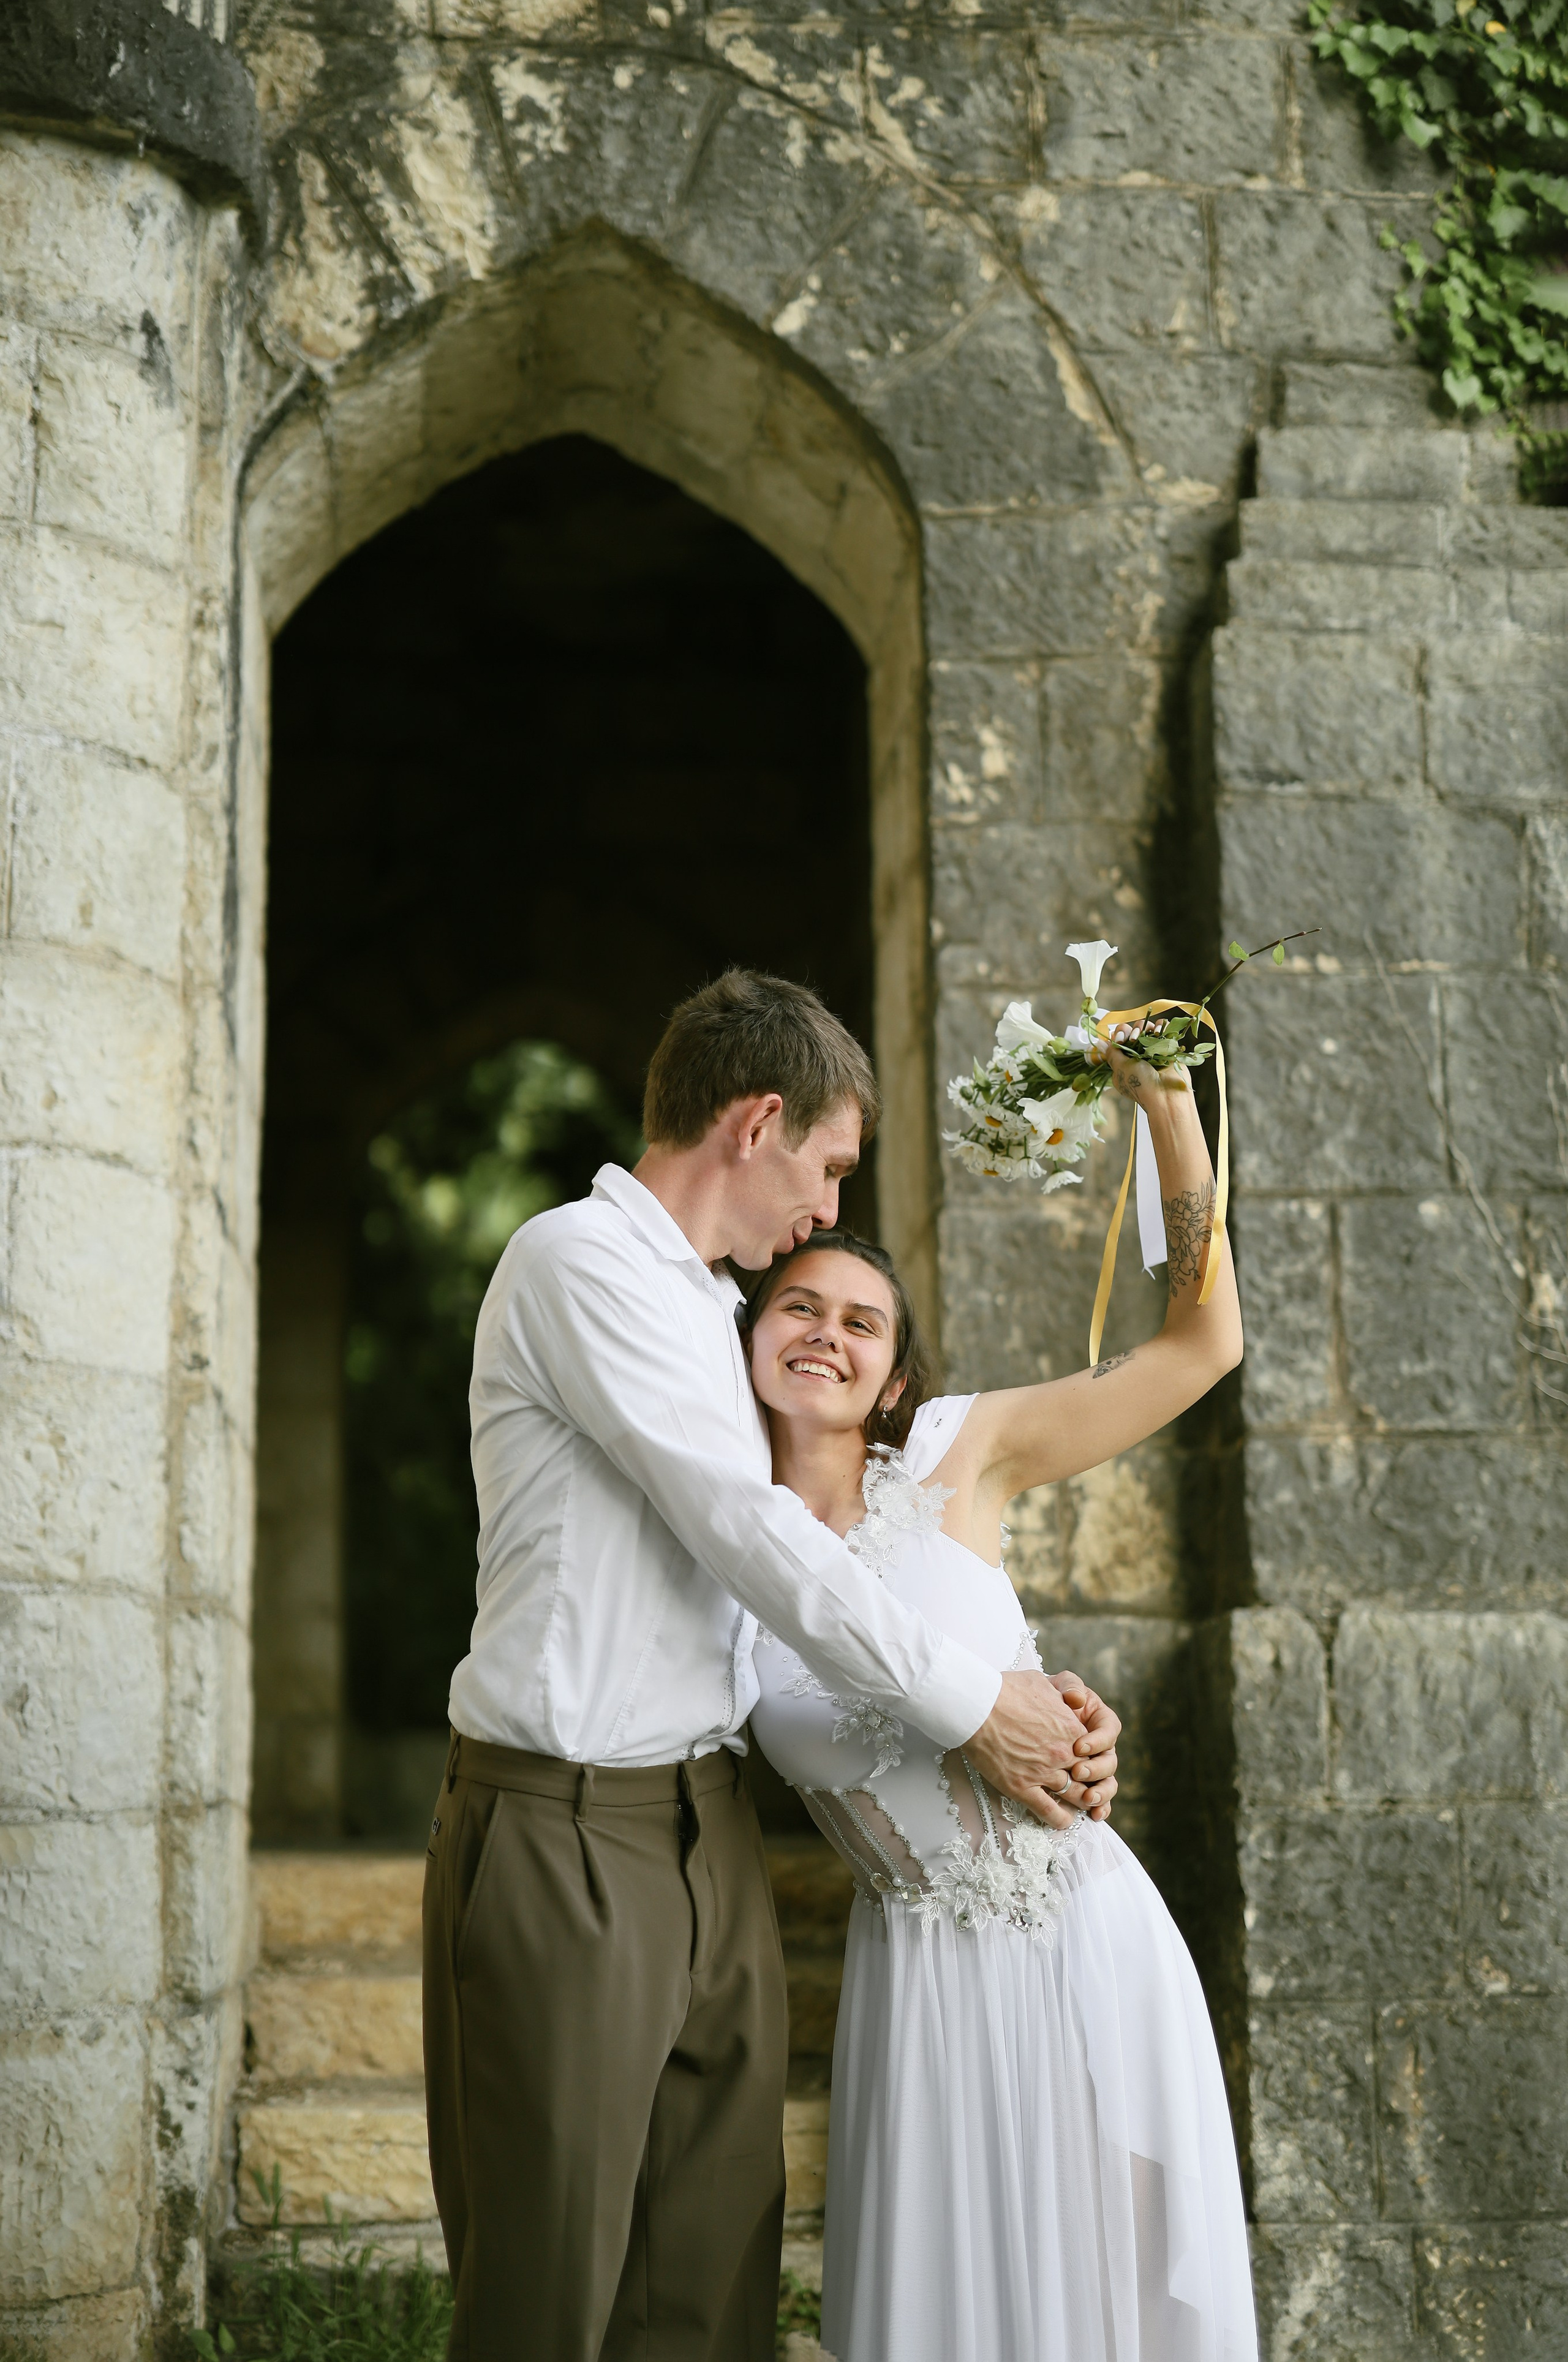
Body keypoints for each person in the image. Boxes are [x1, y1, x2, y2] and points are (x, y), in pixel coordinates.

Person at [421, 970, 1121, 2362]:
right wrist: (975, 1703)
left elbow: (829, 1532)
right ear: (754, 1122)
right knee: (551, 2299)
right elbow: (741, 1528)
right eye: (828, 1163)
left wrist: (1018, 1671)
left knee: (709, 2284)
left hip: (706, 1824)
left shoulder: (717, 1311)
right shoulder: (576, 1264)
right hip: (564, 1829)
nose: (826, 1205)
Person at [744, 1038, 1257, 2362]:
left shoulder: (956, 1454)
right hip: (914, 1982)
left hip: (1080, 1935)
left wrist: (1165, 1116)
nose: (825, 1335)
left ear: (896, 1377)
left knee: (1112, 2304)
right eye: (797, 1306)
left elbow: (1201, 1342)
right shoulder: (706, 1536)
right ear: (747, 1333)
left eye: (861, 1322)